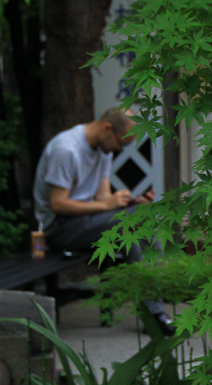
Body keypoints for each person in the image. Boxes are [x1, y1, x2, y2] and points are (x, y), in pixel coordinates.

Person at [33, 107, 175, 337]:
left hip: (87, 222)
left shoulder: (103, 150)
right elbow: (57, 204)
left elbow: (102, 198)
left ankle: (155, 312)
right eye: (121, 144)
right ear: (107, 129)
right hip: (59, 229)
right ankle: (156, 308)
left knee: (138, 226)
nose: (120, 150)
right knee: (134, 222)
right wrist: (109, 206)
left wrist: (129, 202)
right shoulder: (66, 150)